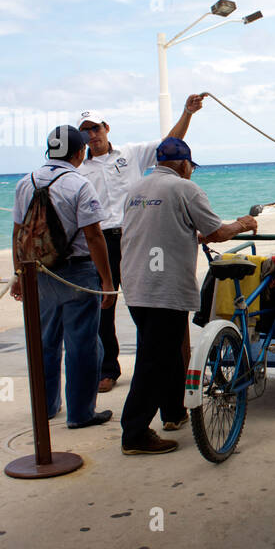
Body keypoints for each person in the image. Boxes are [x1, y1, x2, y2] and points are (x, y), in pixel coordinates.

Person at [119, 137, 258, 455]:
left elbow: (154, 228)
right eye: (191, 167)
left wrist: (187, 234)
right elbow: (216, 233)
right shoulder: (185, 188)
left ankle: (173, 413)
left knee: (162, 351)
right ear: (184, 164)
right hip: (163, 288)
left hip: (136, 284)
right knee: (154, 360)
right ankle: (135, 432)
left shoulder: (136, 189)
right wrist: (243, 223)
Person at [78, 94, 206, 394]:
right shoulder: (80, 170)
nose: (92, 135)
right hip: (100, 241)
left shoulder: (131, 153)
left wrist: (187, 113)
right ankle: (108, 368)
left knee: (149, 302)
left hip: (136, 237)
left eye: (95, 128)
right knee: (103, 306)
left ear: (106, 127)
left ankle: (157, 361)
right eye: (86, 131)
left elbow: (169, 144)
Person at [10, 125, 116, 428]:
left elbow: (18, 232)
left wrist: (18, 272)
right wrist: (106, 281)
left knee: (44, 342)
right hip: (76, 272)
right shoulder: (79, 184)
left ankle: (45, 406)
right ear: (79, 152)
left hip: (38, 272)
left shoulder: (25, 182)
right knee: (83, 345)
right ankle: (81, 413)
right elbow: (94, 236)